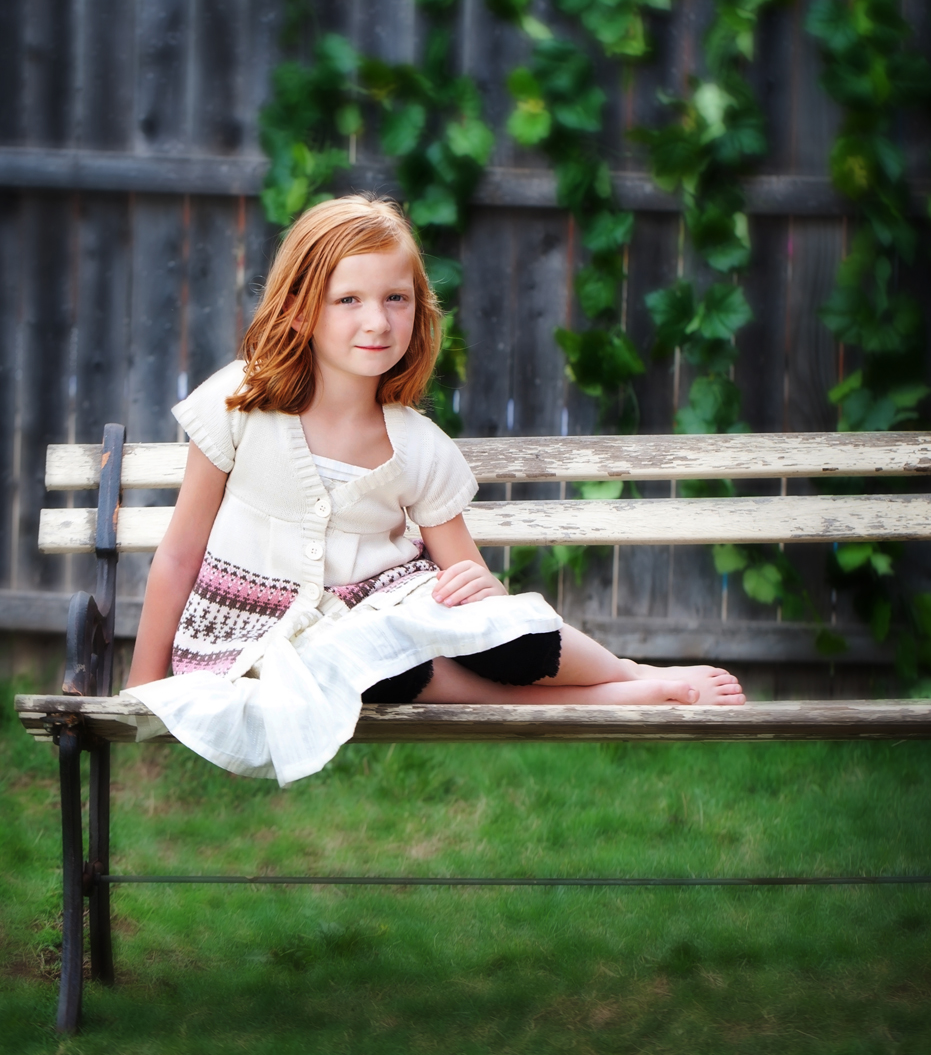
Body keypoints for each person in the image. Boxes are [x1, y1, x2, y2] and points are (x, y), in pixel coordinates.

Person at [123, 195, 744, 786]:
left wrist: (484, 589)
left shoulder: (418, 446)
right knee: (366, 667)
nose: (377, 321)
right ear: (298, 308)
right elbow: (180, 553)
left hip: (387, 608)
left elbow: (464, 575)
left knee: (510, 637)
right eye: (349, 300)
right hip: (261, 639)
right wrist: (143, 684)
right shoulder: (241, 403)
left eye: (397, 297)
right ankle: (614, 699)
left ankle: (628, 674)